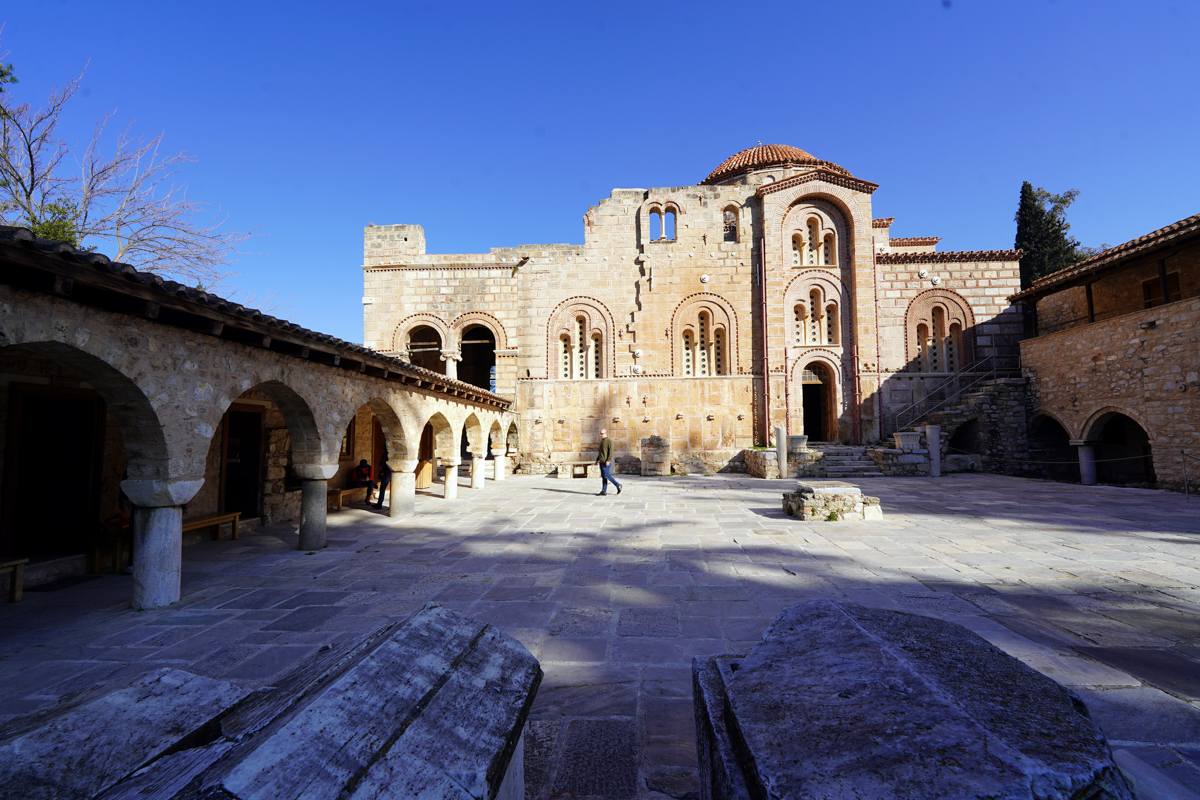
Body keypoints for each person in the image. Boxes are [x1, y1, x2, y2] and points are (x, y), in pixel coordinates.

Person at [595, 428, 622, 496]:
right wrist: (597, 460)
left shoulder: (609, 441)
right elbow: (600, 452)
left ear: (606, 434)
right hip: (601, 461)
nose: (601, 435)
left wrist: (609, 460)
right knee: (603, 477)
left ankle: (618, 485)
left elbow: (611, 452)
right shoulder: (602, 442)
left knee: (606, 475)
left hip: (606, 462)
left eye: (602, 434)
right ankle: (604, 491)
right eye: (600, 434)